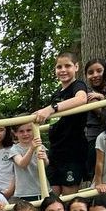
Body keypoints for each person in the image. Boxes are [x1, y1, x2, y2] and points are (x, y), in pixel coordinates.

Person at [33, 52, 90, 193]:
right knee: (53, 197)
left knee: (68, 197)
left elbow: (81, 99)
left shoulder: (78, 85)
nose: (63, 70)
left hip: (72, 152)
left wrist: (52, 108)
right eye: (59, 67)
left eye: (67, 66)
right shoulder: (57, 93)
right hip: (56, 152)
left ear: (76, 67)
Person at [7, 121, 49, 201]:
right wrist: (32, 149)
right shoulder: (14, 149)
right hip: (25, 193)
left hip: (43, 189)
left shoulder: (40, 146)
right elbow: (22, 164)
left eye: (29, 130)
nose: (25, 134)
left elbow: (45, 164)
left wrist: (45, 159)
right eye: (21, 131)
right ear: (15, 133)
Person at [83, 59, 106, 178]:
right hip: (95, 139)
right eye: (90, 72)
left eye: (99, 71)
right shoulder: (87, 93)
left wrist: (102, 97)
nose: (95, 75)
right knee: (96, 176)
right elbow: (105, 114)